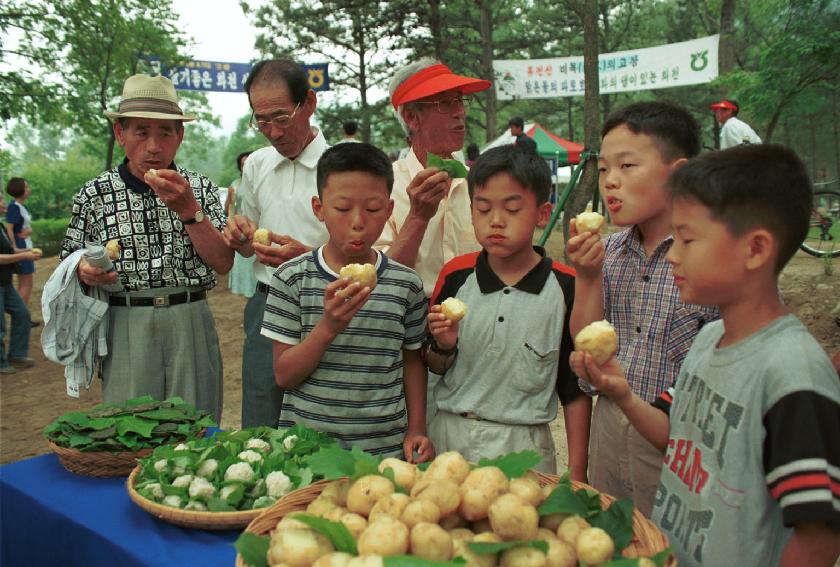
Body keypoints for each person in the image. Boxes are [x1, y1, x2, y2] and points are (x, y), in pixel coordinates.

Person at [571, 144, 840, 567]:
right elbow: (675, 436)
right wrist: (622, 394)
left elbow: (817, 535)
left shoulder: (792, 374)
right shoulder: (710, 339)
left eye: (688, 240)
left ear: (755, 249)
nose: (673, 255)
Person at [566, 101, 719, 515]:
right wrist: (587, 276)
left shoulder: (712, 258)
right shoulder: (609, 252)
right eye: (603, 170)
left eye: (627, 166)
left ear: (679, 172)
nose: (610, 183)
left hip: (683, 446)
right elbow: (586, 346)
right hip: (610, 430)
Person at [59, 74, 232, 422]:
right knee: (129, 430)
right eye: (141, 132)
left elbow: (223, 261)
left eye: (165, 132)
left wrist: (189, 210)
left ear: (179, 136)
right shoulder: (95, 195)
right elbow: (69, 265)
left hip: (190, 317)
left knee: (195, 429)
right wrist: (83, 270)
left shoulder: (199, 188)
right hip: (125, 322)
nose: (154, 146)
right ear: (120, 134)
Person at [425, 146, 593, 477]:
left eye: (512, 209)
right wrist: (444, 344)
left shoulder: (567, 286)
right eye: (483, 209)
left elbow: (574, 389)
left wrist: (577, 471)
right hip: (452, 438)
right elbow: (434, 364)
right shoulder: (457, 276)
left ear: (543, 214)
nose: (496, 221)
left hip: (525, 445)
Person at [261, 142, 433, 461]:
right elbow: (284, 374)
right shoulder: (291, 278)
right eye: (342, 208)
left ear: (390, 210)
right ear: (319, 208)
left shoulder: (405, 283)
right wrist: (328, 326)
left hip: (383, 452)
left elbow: (412, 361)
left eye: (372, 209)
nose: (357, 221)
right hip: (308, 451)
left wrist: (417, 428)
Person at [223, 59, 330, 429]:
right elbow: (248, 240)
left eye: (281, 118)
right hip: (268, 303)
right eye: (261, 120)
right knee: (262, 410)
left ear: (309, 104)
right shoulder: (257, 165)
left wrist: (309, 258)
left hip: (327, 303)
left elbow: (365, 246)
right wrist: (240, 236)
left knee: (325, 411)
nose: (272, 131)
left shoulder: (341, 164)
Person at [377, 58, 491, 297]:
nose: (460, 112)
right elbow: (380, 282)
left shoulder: (478, 184)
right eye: (445, 103)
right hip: (410, 325)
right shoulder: (383, 188)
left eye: (460, 100)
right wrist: (417, 217)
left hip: (476, 320)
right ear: (411, 118)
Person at [0, 192, 36, 374]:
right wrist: (23, 256)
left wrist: (26, 250)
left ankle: (17, 355)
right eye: (0, 199)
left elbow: (9, 249)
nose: (4, 202)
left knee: (22, 314)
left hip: (5, 283)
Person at [227, 151, 257, 298]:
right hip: (241, 231)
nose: (245, 166)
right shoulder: (235, 185)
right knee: (245, 266)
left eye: (248, 163)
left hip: (257, 230)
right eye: (242, 164)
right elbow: (231, 208)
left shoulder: (260, 181)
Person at [5, 178, 37, 318]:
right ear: (20, 189)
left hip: (24, 244)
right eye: (26, 187)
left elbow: (21, 227)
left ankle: (22, 315)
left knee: (26, 282)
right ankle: (21, 316)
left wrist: (28, 230)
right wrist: (14, 246)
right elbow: (10, 228)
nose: (28, 189)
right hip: (20, 247)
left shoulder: (20, 206)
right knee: (26, 283)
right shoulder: (14, 207)